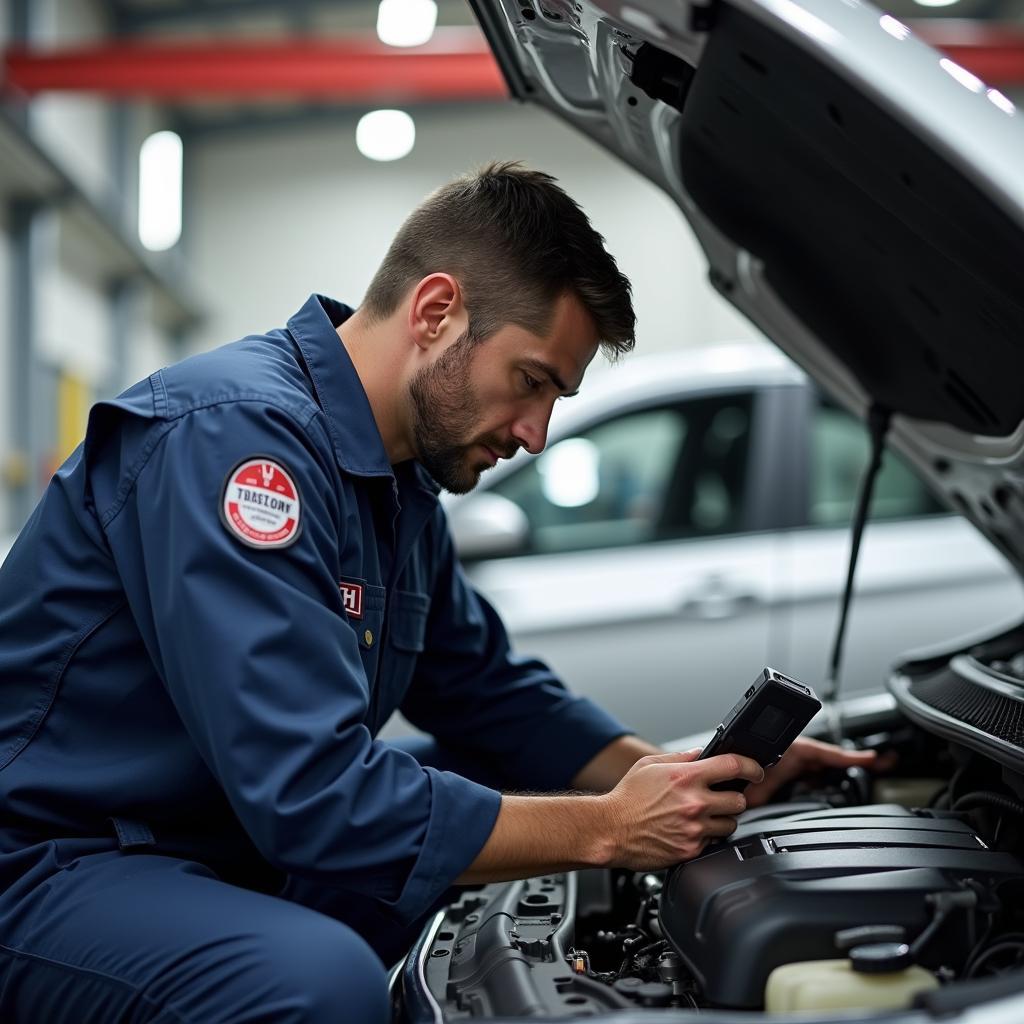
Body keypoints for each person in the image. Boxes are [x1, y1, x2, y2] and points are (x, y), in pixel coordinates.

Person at [0, 162, 873, 1023]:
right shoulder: (236, 444)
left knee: (499, 777)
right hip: (57, 861)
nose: (536, 434)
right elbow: (312, 795)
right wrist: (605, 829)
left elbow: (490, 693)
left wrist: (678, 781)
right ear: (436, 312)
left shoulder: (396, 480)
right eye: (531, 382)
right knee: (315, 984)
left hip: (215, 844)